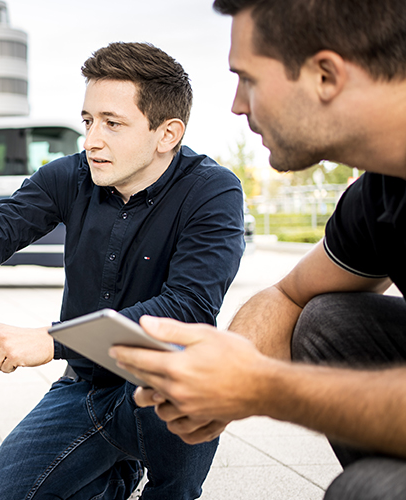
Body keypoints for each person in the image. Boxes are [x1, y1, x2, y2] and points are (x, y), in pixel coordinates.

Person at [0, 42, 246, 499]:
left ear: (167, 133)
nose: (92, 140)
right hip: (86, 385)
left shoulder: (212, 191)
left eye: (113, 124)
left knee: (178, 377)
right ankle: (110, 478)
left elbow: (187, 308)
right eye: (88, 121)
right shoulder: (70, 176)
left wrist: (52, 339)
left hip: (164, 390)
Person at [109, 1, 406, 498]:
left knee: (366, 489)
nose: (237, 105)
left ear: (325, 76)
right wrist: (226, 373)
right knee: (326, 317)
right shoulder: (380, 193)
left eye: (247, 79)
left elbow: (266, 383)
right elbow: (289, 296)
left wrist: (262, 387)